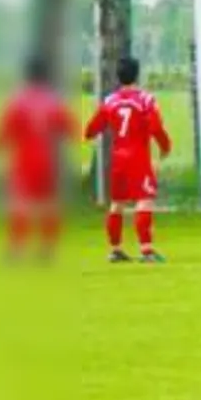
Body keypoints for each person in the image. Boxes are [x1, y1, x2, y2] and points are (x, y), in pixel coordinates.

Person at [84, 57, 172, 263]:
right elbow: (156, 127)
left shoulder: (110, 101)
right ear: (137, 74)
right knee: (144, 200)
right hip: (138, 158)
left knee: (117, 204)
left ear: (118, 76)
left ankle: (115, 250)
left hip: (118, 160)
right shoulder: (146, 100)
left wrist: (90, 133)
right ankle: (146, 250)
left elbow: (91, 129)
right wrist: (165, 146)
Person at [0, 56, 75, 261]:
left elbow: (3, 132)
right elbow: (69, 128)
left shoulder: (18, 100)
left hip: (23, 159)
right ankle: (48, 249)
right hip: (46, 159)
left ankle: (17, 249)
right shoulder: (52, 100)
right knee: (49, 203)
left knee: (20, 203)